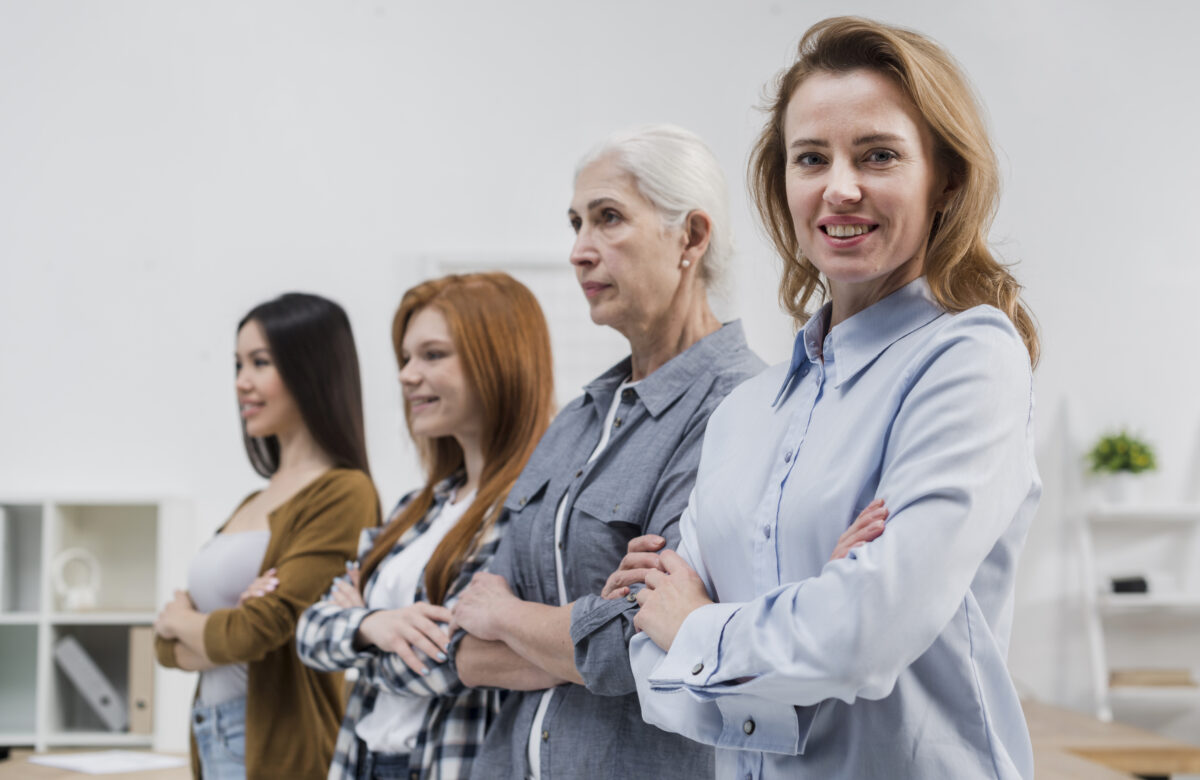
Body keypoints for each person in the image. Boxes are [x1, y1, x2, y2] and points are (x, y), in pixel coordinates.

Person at [627, 17, 1042, 780]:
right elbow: (651, 669)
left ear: (944, 178)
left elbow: (862, 635)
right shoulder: (743, 415)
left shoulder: (968, 359)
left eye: (878, 155)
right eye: (810, 158)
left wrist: (703, 630)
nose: (840, 187)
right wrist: (803, 619)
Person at [447, 125, 765, 780]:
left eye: (608, 218)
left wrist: (507, 616)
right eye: (575, 223)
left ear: (692, 237)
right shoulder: (579, 417)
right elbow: (465, 644)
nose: (579, 252)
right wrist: (583, 636)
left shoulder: (743, 409)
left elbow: (649, 643)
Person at [293, 272, 556, 779]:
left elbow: (450, 662)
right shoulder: (415, 508)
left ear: (499, 361)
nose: (406, 375)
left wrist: (359, 634)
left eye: (432, 355)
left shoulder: (528, 509)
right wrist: (374, 625)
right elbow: (309, 630)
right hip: (360, 759)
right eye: (406, 358)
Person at [154, 293, 379, 780]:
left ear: (310, 370)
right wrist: (218, 629)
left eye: (260, 362)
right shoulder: (250, 503)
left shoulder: (344, 492)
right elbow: (164, 646)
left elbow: (257, 632)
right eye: (238, 364)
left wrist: (187, 621)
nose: (242, 382)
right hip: (212, 733)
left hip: (277, 747)